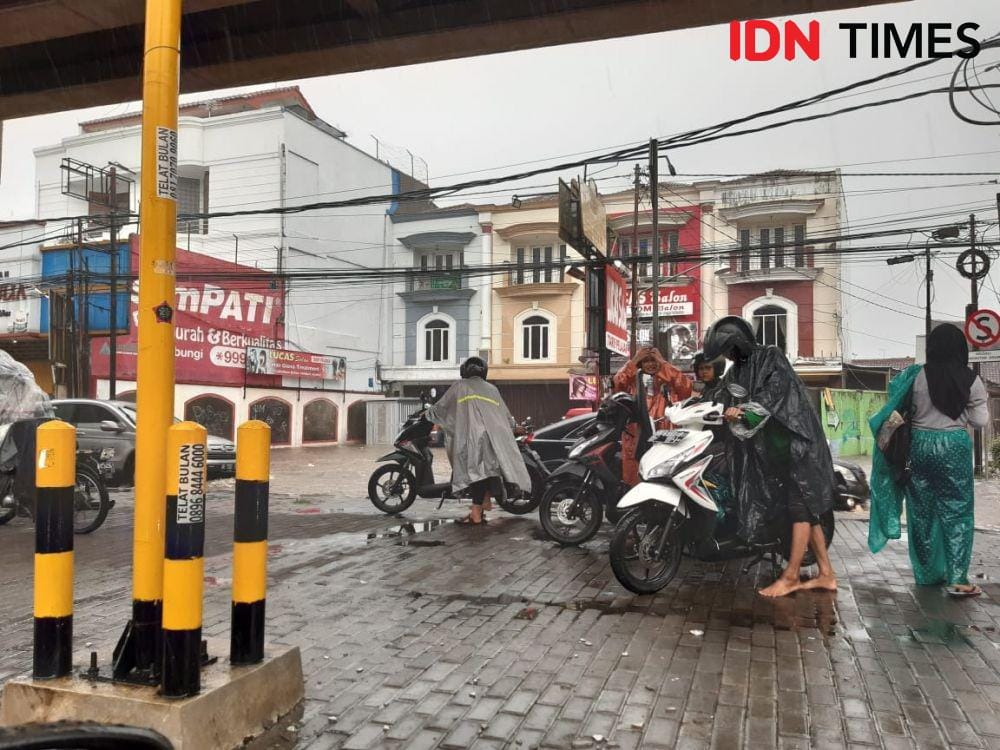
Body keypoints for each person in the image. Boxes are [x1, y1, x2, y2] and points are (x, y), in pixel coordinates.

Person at [702, 316, 836, 598]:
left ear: (739, 343)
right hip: (774, 452)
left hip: (797, 446)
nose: (728, 356)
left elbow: (771, 396)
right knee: (808, 513)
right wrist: (700, 406)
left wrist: (744, 411)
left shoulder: (770, 358)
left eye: (729, 350)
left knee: (800, 510)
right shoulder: (737, 370)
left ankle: (790, 576)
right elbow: (722, 394)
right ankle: (826, 574)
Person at [868, 324, 988, 596]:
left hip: (918, 446)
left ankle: (926, 575)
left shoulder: (914, 376)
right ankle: (958, 578)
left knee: (920, 511)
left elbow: (895, 407)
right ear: (961, 349)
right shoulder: (971, 380)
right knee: (957, 511)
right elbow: (980, 421)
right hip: (954, 448)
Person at [426, 356, 531, 525]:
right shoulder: (492, 389)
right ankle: (483, 504)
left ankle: (476, 513)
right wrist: (514, 426)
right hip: (492, 438)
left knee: (475, 474)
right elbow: (505, 414)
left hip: (471, 439)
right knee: (486, 471)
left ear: (464, 372)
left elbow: (441, 408)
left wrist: (428, 413)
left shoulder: (460, 386)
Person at [613, 345, 692, 486]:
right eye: (646, 361)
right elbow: (618, 383)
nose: (650, 364)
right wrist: (634, 360)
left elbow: (686, 388)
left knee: (662, 480)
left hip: (663, 440)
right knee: (635, 481)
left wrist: (663, 362)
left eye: (653, 360)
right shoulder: (632, 383)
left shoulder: (669, 382)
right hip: (636, 440)